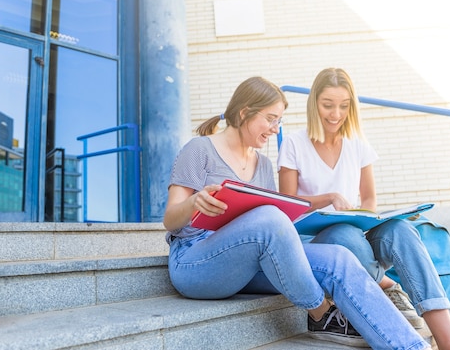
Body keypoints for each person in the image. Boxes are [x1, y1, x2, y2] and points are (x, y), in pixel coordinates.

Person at [163, 76, 431, 349]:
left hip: (250, 263)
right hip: (195, 262)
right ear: (244, 112)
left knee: (338, 258)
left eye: (279, 120)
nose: (274, 128)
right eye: (270, 119)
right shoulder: (199, 150)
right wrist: (195, 201)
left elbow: (273, 232)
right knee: (269, 217)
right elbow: (170, 220)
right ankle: (321, 314)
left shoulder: (263, 165)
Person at [277, 68, 450, 350]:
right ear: (314, 102)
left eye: (344, 106)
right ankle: (386, 284)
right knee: (343, 235)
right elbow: (286, 206)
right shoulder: (294, 143)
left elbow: (369, 201)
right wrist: (328, 197)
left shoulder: (358, 144)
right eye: (328, 105)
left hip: (357, 236)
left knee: (400, 230)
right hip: (317, 242)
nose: (336, 114)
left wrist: (368, 219)